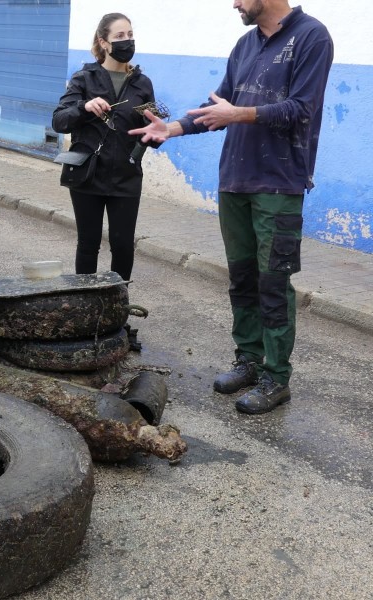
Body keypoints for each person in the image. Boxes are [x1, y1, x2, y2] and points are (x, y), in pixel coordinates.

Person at [129, 0, 333, 414]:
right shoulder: (244, 44)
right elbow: (217, 110)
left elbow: (301, 109)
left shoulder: (312, 36)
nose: (235, 3)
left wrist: (237, 113)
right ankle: (249, 361)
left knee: (273, 283)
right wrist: (171, 128)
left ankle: (276, 378)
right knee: (242, 279)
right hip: (235, 181)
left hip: (279, 183)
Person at [52, 13, 158, 283]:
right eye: (120, 36)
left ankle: (117, 304)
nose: (127, 41)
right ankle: (84, 303)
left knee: (123, 246)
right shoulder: (84, 79)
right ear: (104, 42)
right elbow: (59, 121)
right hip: (88, 175)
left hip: (126, 176)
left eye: (130, 35)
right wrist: (85, 108)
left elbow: (150, 133)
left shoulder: (142, 83)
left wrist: (155, 134)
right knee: (88, 243)